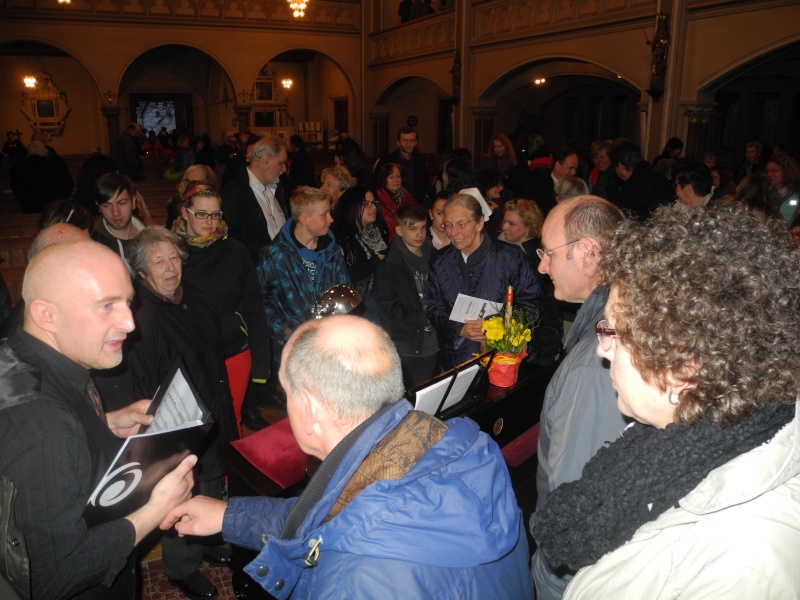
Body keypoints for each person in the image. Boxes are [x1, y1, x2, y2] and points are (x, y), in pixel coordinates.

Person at [160, 315, 533, 599]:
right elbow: (330, 520)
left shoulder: (352, 584)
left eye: (286, 392)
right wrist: (230, 516)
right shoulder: (450, 444)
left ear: (307, 407)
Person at [534, 206, 800, 599]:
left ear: (681, 368)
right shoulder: (717, 434)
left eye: (611, 332)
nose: (603, 351)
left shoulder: (731, 565)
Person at [0, 240, 196, 599]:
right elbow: (54, 574)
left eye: (127, 302)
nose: (129, 322)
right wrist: (157, 509)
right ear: (47, 315)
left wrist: (105, 422)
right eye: (106, 305)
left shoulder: (24, 355)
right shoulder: (44, 426)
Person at [122, 227, 239, 600]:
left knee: (209, 478)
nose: (171, 267)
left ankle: (204, 540)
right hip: (178, 422)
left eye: (174, 258)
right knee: (180, 493)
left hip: (212, 410)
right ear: (142, 271)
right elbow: (141, 381)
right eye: (159, 261)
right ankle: (181, 567)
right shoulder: (140, 315)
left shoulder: (194, 296)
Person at [529, 195, 628, 599]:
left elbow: (576, 502)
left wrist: (553, 576)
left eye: (548, 253)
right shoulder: (612, 322)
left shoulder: (596, 362)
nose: (541, 265)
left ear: (586, 253)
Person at [172, 183, 272, 433]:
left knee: (231, 422)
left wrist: (261, 362)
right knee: (196, 427)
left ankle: (229, 473)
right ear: (185, 213)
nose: (210, 222)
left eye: (216, 214)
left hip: (234, 352)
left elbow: (254, 305)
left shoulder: (235, 252)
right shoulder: (171, 253)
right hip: (191, 355)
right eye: (202, 214)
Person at [424, 193, 542, 370]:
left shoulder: (510, 258)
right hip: (456, 360)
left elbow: (532, 304)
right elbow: (433, 306)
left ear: (480, 223)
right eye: (448, 225)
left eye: (461, 224)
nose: (453, 232)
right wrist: (458, 328)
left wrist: (494, 326)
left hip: (503, 358)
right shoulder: (440, 261)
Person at [257, 186, 349, 368]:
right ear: (304, 218)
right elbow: (260, 300)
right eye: (324, 214)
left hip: (328, 348)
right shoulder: (275, 255)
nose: (331, 219)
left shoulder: (333, 252)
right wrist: (286, 332)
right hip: (292, 351)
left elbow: (344, 293)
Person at [374, 203, 439, 387]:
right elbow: (390, 310)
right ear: (399, 230)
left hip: (434, 342)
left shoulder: (435, 257)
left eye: (423, 228)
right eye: (412, 228)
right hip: (405, 346)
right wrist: (427, 317)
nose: (419, 234)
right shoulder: (388, 267)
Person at [498, 199, 563, 366]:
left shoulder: (539, 258)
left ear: (527, 228)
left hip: (540, 337)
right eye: (504, 221)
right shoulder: (503, 250)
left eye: (511, 223)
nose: (504, 227)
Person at [222, 135, 296, 263]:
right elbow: (233, 243)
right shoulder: (234, 192)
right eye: (281, 163)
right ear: (266, 159)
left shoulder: (280, 188)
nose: (284, 169)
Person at [330, 186, 388, 318]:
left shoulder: (378, 231)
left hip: (379, 297)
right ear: (352, 207)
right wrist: (374, 262)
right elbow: (343, 276)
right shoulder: (341, 238)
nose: (372, 207)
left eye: (373, 203)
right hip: (355, 304)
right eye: (366, 204)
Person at [607, 138, 674, 221]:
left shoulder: (631, 188)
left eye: (614, 166)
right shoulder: (659, 178)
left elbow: (625, 224)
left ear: (621, 166)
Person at [90, 172, 146, 259]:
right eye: (107, 206)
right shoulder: (94, 247)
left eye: (121, 203)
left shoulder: (150, 236)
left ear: (134, 202)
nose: (115, 212)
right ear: (99, 207)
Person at [10, 141, 74, 212]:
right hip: (52, 209)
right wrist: (59, 201)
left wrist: (24, 201)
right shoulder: (54, 166)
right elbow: (68, 184)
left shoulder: (19, 168)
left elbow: (15, 185)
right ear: (45, 152)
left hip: (29, 208)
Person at [374, 126, 430, 205]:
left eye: (412, 140)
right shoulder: (387, 161)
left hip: (416, 204)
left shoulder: (420, 160)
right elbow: (377, 184)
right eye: (405, 140)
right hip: (394, 205)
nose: (408, 144)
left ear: (416, 143)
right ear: (398, 143)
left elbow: (425, 184)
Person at [374, 162, 415, 242]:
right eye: (391, 177)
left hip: (406, 236)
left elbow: (414, 216)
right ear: (384, 179)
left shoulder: (405, 194)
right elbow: (389, 224)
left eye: (398, 176)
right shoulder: (378, 197)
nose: (396, 180)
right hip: (388, 239)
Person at [765, 151, 800, 225]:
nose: (770, 174)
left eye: (774, 171)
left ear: (786, 170)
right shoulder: (765, 193)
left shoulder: (797, 193)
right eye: (767, 171)